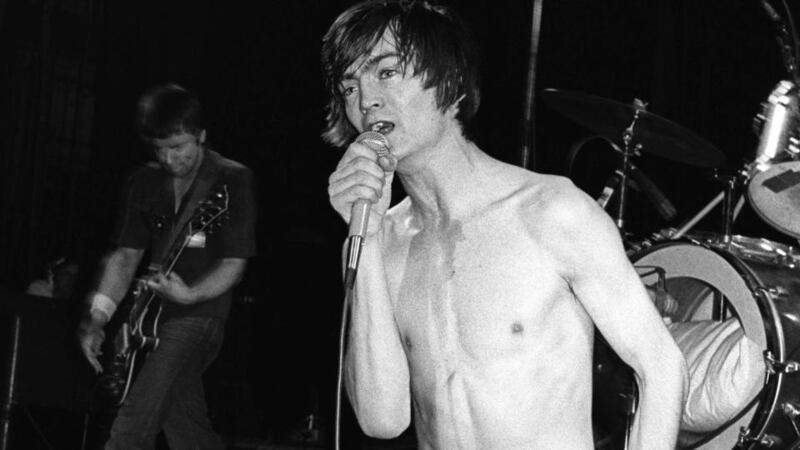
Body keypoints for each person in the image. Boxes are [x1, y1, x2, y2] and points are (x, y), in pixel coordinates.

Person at [322, 1, 687, 448]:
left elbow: (661, 365)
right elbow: (382, 419)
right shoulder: (378, 241)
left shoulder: (552, 212)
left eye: (387, 72)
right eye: (349, 85)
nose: (366, 99)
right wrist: (370, 236)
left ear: (451, 84)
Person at [77, 83, 257, 449]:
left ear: (201, 135)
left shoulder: (231, 178)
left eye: (178, 148)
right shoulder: (143, 181)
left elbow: (234, 263)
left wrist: (190, 294)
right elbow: (125, 257)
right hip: (147, 319)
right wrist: (98, 317)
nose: (170, 160)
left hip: (199, 317)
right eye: (160, 150)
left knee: (130, 426)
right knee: (189, 434)